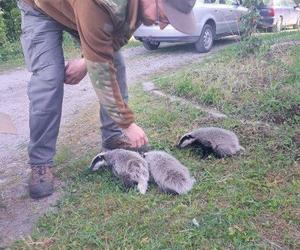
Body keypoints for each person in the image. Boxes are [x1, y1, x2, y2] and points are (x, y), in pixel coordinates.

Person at [17, 0, 197, 199]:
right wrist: (127, 123)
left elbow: (115, 39)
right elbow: (101, 70)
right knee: (49, 78)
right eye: (164, 16)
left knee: (116, 61)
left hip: (81, 10)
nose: (162, 25)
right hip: (41, 8)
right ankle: (40, 162)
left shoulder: (139, 8)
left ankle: (112, 138)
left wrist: (86, 61)